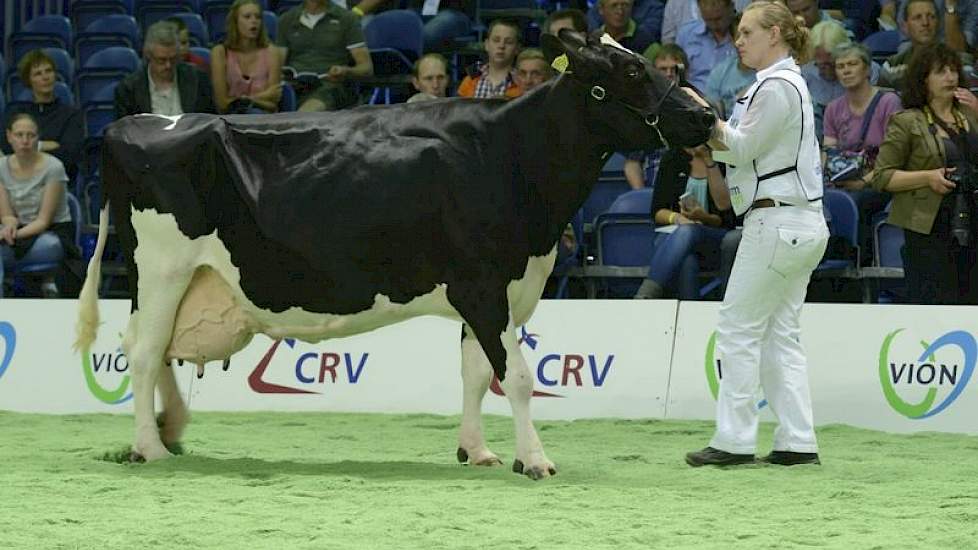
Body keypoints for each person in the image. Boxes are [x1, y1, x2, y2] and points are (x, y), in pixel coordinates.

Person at [685, 1, 828, 468]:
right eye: (739, 33)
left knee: (738, 328)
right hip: (799, 220)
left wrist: (706, 119)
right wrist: (713, 133)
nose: (739, 40)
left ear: (776, 35)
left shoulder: (775, 86)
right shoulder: (788, 83)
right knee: (779, 334)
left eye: (748, 32)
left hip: (777, 221)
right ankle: (797, 441)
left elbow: (742, 148)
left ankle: (734, 439)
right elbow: (745, 151)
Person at [869, 42, 978, 304]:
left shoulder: (970, 114)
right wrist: (928, 177)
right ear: (924, 79)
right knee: (938, 299)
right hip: (929, 227)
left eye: (953, 70)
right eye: (941, 71)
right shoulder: (907, 121)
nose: (950, 77)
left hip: (972, 218)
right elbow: (882, 177)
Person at [822, 42, 902, 260]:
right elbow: (828, 152)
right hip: (843, 179)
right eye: (840, 66)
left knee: (858, 202)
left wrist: (863, 182)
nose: (846, 70)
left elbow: (893, 155)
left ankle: (860, 265)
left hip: (880, 178)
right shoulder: (833, 108)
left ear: (867, 69)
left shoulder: (889, 102)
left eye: (852, 64)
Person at [632, 145, 734, 299]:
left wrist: (703, 217)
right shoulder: (672, 158)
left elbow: (727, 215)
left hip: (716, 238)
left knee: (688, 231)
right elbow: (657, 211)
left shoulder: (724, 159)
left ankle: (646, 294)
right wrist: (678, 218)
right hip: (681, 238)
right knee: (687, 258)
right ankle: (690, 313)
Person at [0, 113, 73, 299]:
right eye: (19, 135)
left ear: (37, 137)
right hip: (16, 230)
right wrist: (8, 227)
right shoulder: (1, 166)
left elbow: (43, 221)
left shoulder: (54, 167)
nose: (25, 141)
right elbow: (7, 215)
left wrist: (10, 236)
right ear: (9, 136)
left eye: (31, 135)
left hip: (49, 232)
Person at [0, 50, 83, 184]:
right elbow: (6, 147)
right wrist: (42, 145)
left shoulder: (71, 115)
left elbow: (69, 156)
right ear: (29, 80)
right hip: (18, 184)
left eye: (49, 71)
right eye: (38, 73)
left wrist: (24, 147)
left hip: (58, 182)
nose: (45, 77)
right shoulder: (15, 113)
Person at [276, 0, 373, 111]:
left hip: (331, 86)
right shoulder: (287, 19)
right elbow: (277, 65)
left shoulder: (347, 18)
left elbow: (367, 68)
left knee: (306, 112)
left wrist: (345, 71)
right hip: (295, 85)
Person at [115, 21, 216, 118]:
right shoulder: (129, 88)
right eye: (161, 60)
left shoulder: (198, 79)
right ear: (148, 56)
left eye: (173, 59)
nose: (168, 65)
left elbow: (211, 122)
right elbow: (123, 131)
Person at [211, 0, 283, 114]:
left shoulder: (272, 52)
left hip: (264, 119)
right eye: (247, 17)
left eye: (258, 17)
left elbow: (272, 103)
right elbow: (222, 103)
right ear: (235, 22)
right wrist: (262, 97)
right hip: (231, 119)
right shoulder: (220, 53)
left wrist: (245, 100)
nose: (254, 21)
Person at [676, 0, 737, 91]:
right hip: (693, 98)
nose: (714, 25)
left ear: (731, 8)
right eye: (708, 20)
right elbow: (676, 72)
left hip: (732, 97)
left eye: (718, 19)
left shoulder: (743, 35)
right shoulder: (686, 34)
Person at [705, 12, 756, 118]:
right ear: (732, 40)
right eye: (738, 36)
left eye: (747, 35)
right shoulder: (719, 73)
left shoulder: (770, 72)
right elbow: (711, 113)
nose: (742, 42)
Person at [457, 19, 521, 99]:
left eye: (508, 42)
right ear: (487, 45)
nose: (501, 46)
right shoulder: (470, 80)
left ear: (517, 49)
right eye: (496, 40)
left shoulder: (522, 82)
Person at [592, 0, 657, 54]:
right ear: (601, 9)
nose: (620, 12)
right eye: (614, 6)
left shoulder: (646, 42)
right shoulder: (593, 39)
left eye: (625, 5)